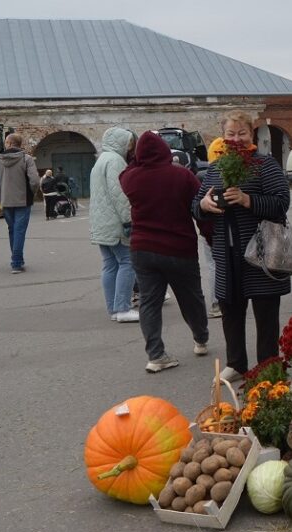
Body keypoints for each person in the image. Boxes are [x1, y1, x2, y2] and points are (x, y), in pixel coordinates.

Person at [193, 110, 290, 383]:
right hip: (226, 253)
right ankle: (236, 363)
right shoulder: (215, 168)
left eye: (242, 133)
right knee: (231, 312)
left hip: (261, 252)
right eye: (230, 134)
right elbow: (195, 205)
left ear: (251, 134)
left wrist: (249, 200)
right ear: (223, 137)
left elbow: (281, 202)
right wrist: (204, 205)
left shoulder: (265, 165)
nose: (236, 139)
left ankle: (268, 366)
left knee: (266, 315)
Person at [120, 131, 210, 373]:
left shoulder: (130, 178)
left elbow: (126, 170)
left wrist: (137, 160)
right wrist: (208, 234)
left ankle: (156, 355)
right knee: (191, 297)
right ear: (164, 151)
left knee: (149, 302)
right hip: (179, 248)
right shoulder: (182, 176)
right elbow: (198, 207)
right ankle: (200, 338)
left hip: (142, 249)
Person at [90, 127, 139, 323]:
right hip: (115, 223)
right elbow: (119, 195)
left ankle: (113, 309)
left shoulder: (101, 159)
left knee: (110, 265)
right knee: (127, 262)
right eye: (128, 143)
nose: (130, 147)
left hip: (101, 222)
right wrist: (129, 220)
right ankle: (123, 308)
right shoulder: (116, 161)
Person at [0, 132, 39, 274]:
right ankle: (16, 263)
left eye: (6, 141)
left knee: (13, 230)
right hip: (23, 201)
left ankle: (17, 259)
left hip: (5, 202)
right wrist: (31, 194)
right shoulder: (26, 159)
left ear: (9, 143)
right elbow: (35, 181)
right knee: (19, 231)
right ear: (19, 144)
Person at [195, 138, 224, 319]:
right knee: (219, 265)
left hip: (205, 228)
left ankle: (215, 303)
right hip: (218, 229)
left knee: (213, 265)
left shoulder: (201, 176)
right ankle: (218, 301)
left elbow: (194, 205)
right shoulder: (223, 176)